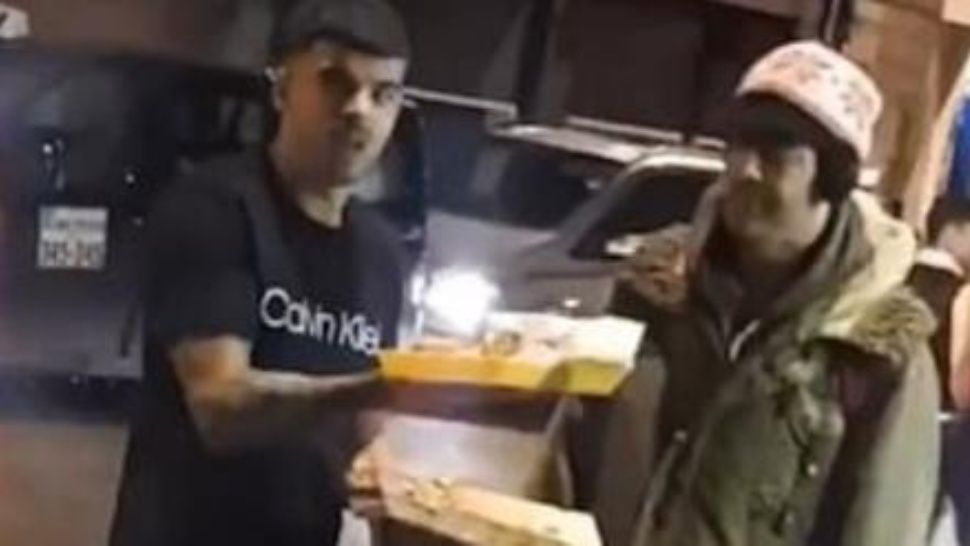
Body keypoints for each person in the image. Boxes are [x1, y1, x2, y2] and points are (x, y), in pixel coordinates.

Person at [591, 41, 940, 546]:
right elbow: (576, 453)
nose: (745, 169)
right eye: (737, 144)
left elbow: (885, 531)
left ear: (833, 178)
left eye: (776, 154)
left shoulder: (877, 353)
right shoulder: (657, 292)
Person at [109, 1, 410, 545]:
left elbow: (364, 434)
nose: (358, 109)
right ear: (282, 88)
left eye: (382, 93)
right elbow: (219, 409)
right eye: (335, 83)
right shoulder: (215, 207)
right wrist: (372, 390)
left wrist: (389, 474)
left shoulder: (383, 256)